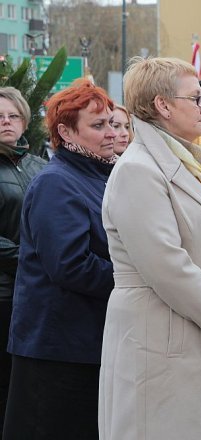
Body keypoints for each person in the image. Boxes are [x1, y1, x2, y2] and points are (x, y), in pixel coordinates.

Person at [98, 57, 201, 440]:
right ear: (163, 105)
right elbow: (168, 267)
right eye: (197, 99)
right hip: (160, 337)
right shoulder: (138, 169)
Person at [3, 79, 117, 439]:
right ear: (66, 132)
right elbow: (71, 265)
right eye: (98, 126)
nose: (111, 132)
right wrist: (137, 280)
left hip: (86, 341)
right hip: (59, 349)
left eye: (113, 122)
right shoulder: (58, 181)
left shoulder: (98, 174)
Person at [0, 86, 47, 437]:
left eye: (13, 116)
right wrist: (30, 260)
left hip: (37, 293)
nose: (6, 122)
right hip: (3, 293)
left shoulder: (39, 165)